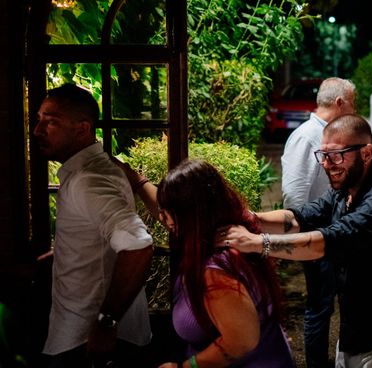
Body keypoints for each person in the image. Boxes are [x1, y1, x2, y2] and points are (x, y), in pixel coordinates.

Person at [224, 114, 372, 367]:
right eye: (324, 156)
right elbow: (298, 218)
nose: (327, 164)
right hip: (358, 334)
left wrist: (256, 242)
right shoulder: (343, 192)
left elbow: (327, 241)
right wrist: (248, 217)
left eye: (337, 155)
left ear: (366, 153)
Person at [34, 84, 153, 367]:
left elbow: (138, 245)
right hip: (87, 335)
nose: (37, 130)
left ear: (82, 129)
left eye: (50, 122)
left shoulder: (89, 180)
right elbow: (101, 237)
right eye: (38, 119)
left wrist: (106, 321)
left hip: (87, 342)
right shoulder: (93, 169)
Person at [134, 159, 294, 368]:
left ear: (188, 214)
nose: (163, 218)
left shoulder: (216, 271)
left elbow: (241, 341)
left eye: (167, 212)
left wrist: (187, 366)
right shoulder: (234, 233)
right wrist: (137, 181)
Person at [280, 77, 356, 368]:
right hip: (318, 237)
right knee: (319, 307)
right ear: (339, 103)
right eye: (352, 102)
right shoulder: (306, 136)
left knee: (332, 304)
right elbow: (295, 196)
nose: (354, 108)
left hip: (333, 235)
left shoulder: (326, 133)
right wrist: (308, 240)